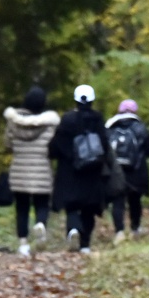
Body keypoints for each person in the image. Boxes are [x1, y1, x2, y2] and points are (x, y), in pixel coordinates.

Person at [49, 83, 111, 254]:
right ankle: (85, 243)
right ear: (92, 100)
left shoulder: (67, 120)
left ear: (75, 100)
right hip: (92, 172)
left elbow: (55, 146)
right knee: (89, 209)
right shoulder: (98, 119)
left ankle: (73, 229)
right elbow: (105, 145)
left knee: (71, 206)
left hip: (70, 172)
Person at [3, 86, 59, 257]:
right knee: (42, 204)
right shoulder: (49, 125)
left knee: (22, 209)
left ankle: (23, 244)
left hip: (19, 172)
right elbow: (54, 147)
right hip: (42, 171)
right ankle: (40, 224)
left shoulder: (13, 123)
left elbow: (7, 144)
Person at [105, 98, 149, 242]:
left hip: (116, 170)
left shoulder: (110, 127)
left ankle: (119, 231)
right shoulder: (140, 128)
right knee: (135, 200)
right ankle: (135, 228)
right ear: (135, 111)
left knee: (118, 201)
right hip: (136, 170)